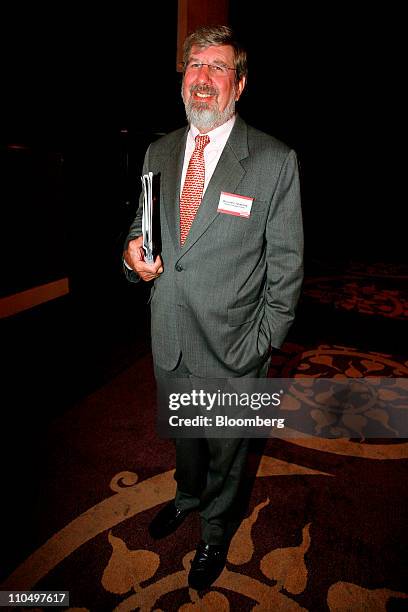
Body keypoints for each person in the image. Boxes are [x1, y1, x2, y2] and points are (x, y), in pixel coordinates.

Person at [123, 24, 303, 590]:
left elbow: (288, 265)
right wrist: (132, 259)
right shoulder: (159, 149)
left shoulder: (274, 160)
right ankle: (186, 496)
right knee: (187, 440)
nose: (203, 78)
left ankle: (216, 533)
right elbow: (142, 230)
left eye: (217, 67)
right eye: (194, 65)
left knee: (228, 455)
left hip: (235, 350)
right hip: (170, 338)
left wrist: (263, 344)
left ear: (239, 84)